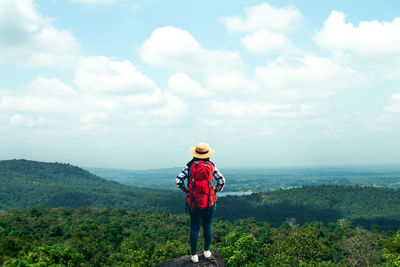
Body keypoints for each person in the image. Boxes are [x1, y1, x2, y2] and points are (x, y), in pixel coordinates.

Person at [175, 142, 225, 263]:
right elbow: (221, 180)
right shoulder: (211, 166)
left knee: (194, 228)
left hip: (194, 202)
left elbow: (178, 180)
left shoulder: (189, 166)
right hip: (209, 202)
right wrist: (214, 191)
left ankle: (194, 255)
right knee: (207, 226)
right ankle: (207, 252)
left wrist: (187, 191)